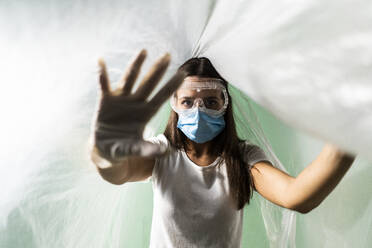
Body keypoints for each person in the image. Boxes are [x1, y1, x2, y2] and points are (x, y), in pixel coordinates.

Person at [90, 49, 356, 247]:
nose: (199, 110)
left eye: (210, 101)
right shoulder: (161, 153)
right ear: (175, 106)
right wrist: (106, 147)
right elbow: (117, 172)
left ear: (224, 104)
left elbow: (297, 196)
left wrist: (352, 130)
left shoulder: (243, 158)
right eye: (187, 102)